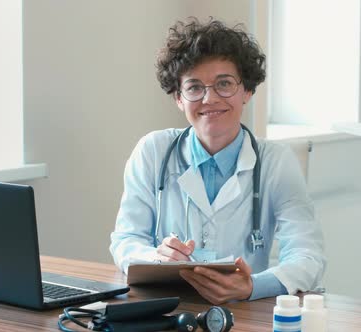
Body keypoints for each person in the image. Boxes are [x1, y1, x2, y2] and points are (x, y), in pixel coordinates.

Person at [110, 17, 325, 304]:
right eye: (194, 87)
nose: (209, 98)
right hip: (166, 308)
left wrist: (251, 287)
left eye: (224, 84)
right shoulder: (153, 151)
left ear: (247, 91)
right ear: (178, 97)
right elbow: (125, 241)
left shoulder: (276, 162)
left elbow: (308, 256)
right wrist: (157, 257)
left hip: (245, 312)